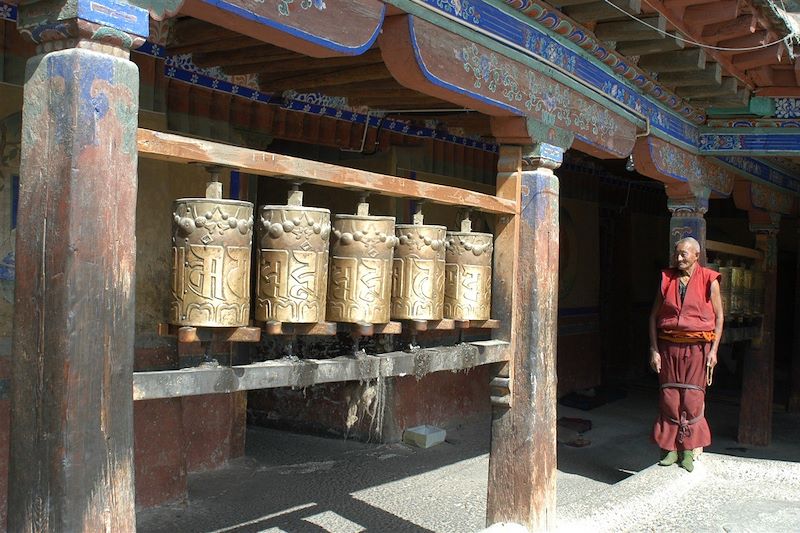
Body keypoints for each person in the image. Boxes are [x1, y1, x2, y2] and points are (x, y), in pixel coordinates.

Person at [648, 237, 723, 472]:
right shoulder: (666, 279)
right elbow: (653, 317)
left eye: (684, 254)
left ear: (696, 256)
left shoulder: (710, 280)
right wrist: (654, 349)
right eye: (677, 254)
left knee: (692, 398)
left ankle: (688, 450)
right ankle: (669, 449)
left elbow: (720, 318)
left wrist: (714, 351)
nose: (679, 258)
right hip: (669, 346)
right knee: (669, 396)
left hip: (698, 348)